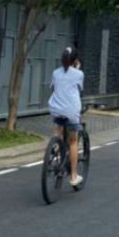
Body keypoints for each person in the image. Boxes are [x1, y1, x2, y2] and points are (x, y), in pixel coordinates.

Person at [49, 46, 85, 188]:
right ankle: (73, 176)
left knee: (58, 132)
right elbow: (80, 89)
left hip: (56, 109)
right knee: (73, 141)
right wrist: (77, 69)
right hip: (71, 111)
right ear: (75, 60)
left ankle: (55, 157)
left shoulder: (55, 73)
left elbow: (52, 87)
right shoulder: (78, 74)